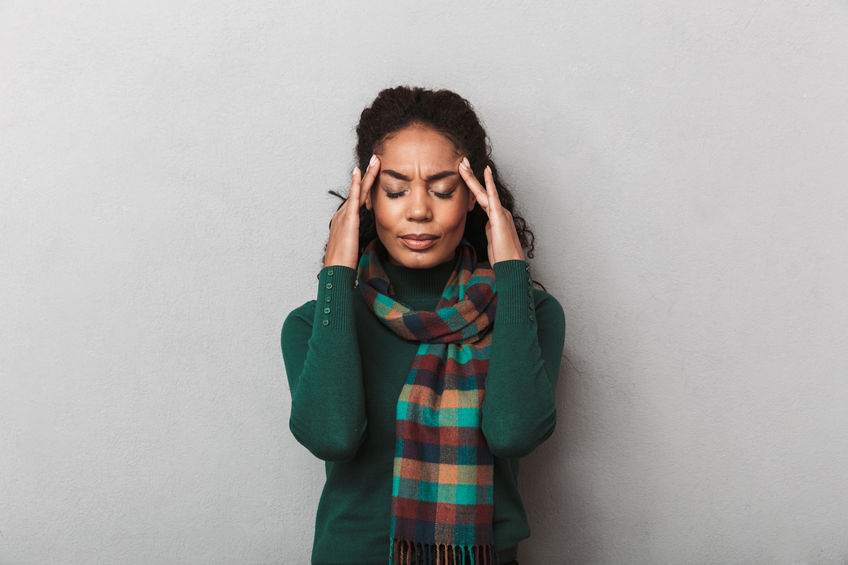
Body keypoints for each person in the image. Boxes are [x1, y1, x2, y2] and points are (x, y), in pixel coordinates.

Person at [281, 86, 565, 565]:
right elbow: (332, 436)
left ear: (474, 198)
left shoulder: (529, 315)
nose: (418, 210)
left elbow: (513, 433)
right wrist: (334, 277)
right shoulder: (315, 324)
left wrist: (512, 275)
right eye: (394, 190)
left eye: (441, 190)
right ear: (366, 198)